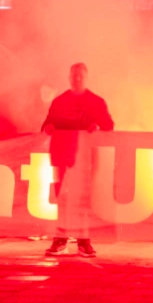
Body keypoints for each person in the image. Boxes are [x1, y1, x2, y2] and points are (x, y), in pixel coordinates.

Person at [41, 62, 113, 256]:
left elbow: (109, 126)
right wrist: (48, 128)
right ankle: (60, 238)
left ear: (86, 78)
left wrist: (97, 126)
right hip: (61, 157)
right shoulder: (59, 102)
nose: (77, 79)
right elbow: (47, 124)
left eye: (80, 76)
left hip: (85, 160)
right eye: (74, 76)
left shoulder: (96, 102)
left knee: (83, 200)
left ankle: (84, 241)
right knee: (62, 198)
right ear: (69, 78)